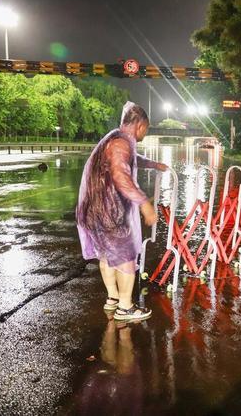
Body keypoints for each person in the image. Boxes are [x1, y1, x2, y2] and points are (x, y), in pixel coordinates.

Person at [76, 102, 166, 321]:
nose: (145, 132)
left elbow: (130, 161)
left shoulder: (114, 139)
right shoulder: (121, 143)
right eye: (146, 128)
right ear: (140, 125)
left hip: (94, 210)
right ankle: (125, 308)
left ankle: (113, 299)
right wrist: (144, 203)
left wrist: (154, 164)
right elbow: (120, 175)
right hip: (110, 212)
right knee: (126, 256)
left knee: (106, 255)